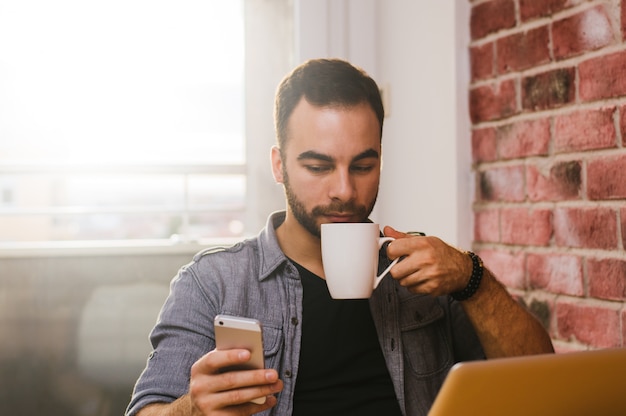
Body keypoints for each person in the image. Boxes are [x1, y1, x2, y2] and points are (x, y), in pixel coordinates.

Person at [126, 58, 554, 416]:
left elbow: (540, 387)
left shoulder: (426, 272)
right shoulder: (213, 281)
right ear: (279, 166)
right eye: (318, 167)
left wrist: (470, 277)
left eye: (363, 167)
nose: (345, 191)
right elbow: (149, 408)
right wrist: (192, 410)